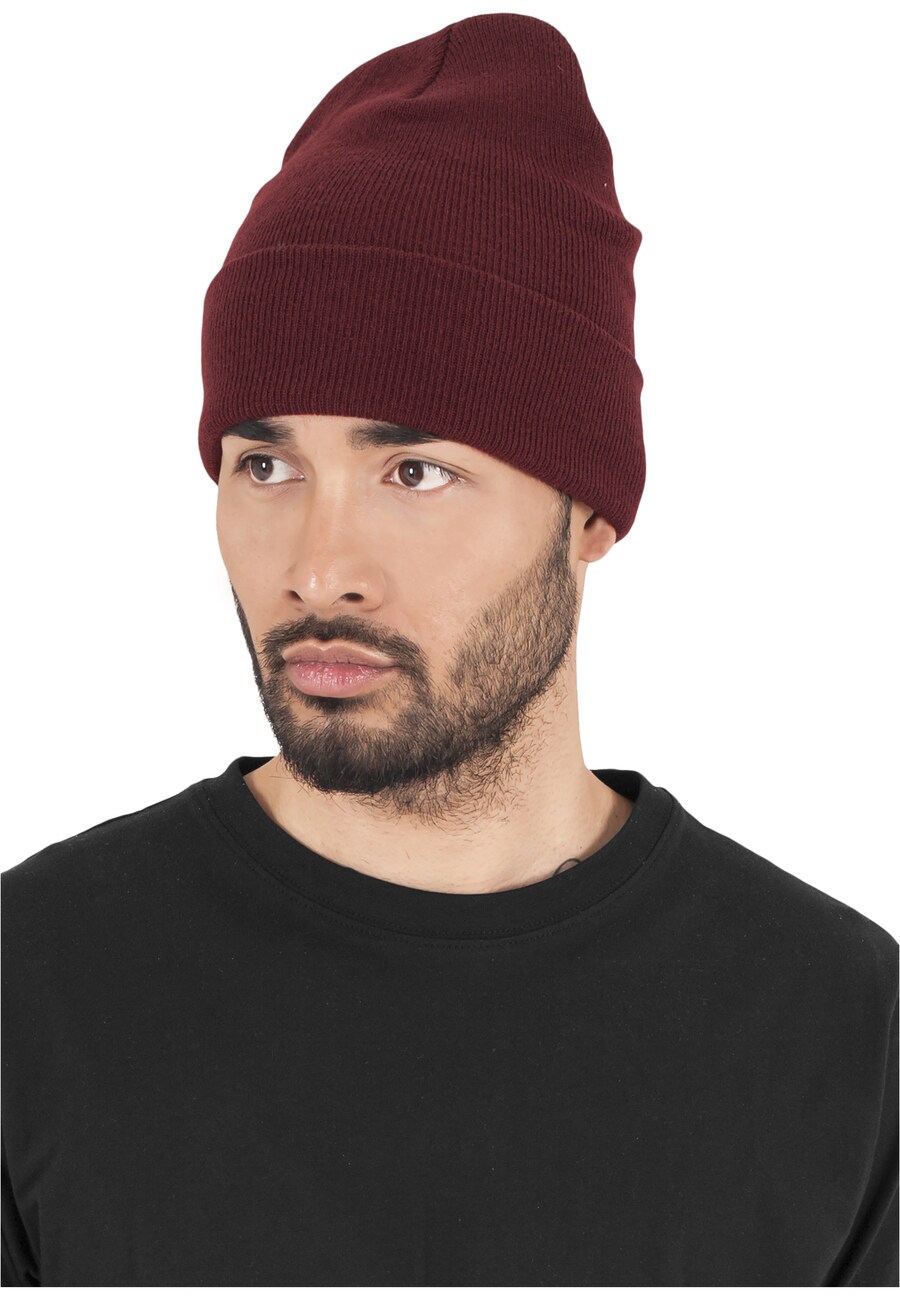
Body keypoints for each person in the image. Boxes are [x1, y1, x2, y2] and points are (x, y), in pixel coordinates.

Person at [2, 13, 896, 1288]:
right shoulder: (34, 992)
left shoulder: (844, 1037)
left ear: (589, 514)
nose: (319, 568)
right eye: (265, 465)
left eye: (414, 470)